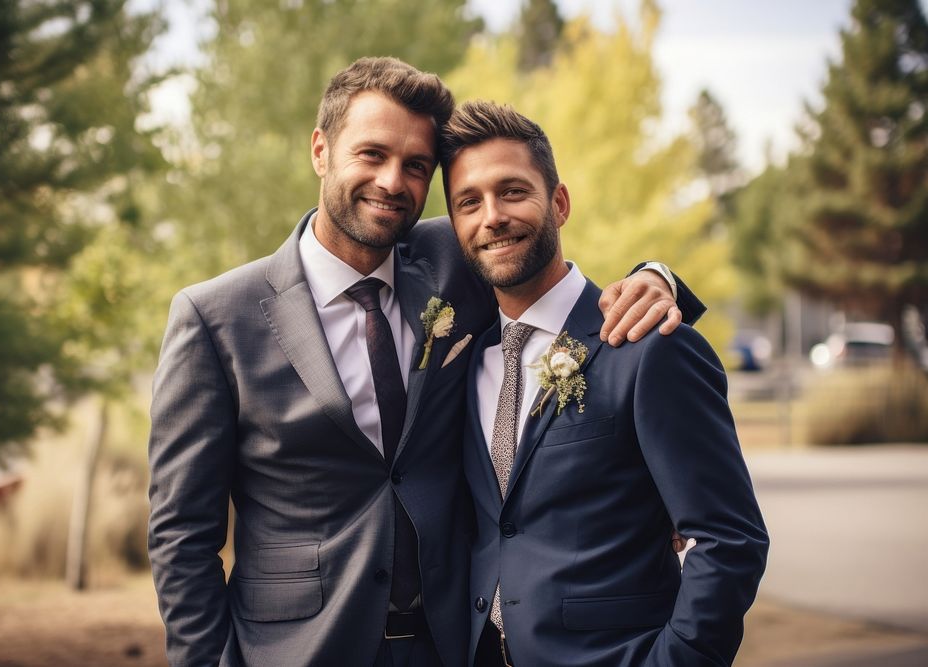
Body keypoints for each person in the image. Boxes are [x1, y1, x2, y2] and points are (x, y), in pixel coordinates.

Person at [147, 57, 702, 667]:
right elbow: (182, 538)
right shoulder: (214, 318)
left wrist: (657, 277)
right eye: (371, 154)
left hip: (452, 646)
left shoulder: (454, 256)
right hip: (294, 649)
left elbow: (556, 282)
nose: (392, 182)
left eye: (416, 167)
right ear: (320, 150)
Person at [439, 101, 768, 667]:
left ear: (559, 204)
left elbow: (730, 540)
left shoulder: (649, 346)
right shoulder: (462, 357)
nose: (491, 216)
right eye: (469, 202)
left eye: (513, 191)